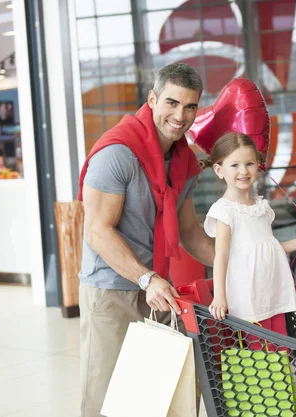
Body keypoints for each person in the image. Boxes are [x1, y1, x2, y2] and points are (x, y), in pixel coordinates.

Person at [77, 63, 215, 417]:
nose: (180, 115)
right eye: (171, 102)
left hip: (156, 291)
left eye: (190, 107)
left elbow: (190, 232)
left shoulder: (183, 161)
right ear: (152, 99)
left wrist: (237, 265)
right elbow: (98, 231)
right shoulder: (117, 153)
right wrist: (146, 277)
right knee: (106, 400)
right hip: (111, 291)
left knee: (150, 398)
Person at [200, 132, 296, 337]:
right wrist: (220, 296)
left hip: (272, 290)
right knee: (261, 352)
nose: (243, 171)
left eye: (249, 164)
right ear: (219, 170)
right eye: (234, 165)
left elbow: (267, 246)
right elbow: (221, 256)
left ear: (258, 165)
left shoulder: (261, 206)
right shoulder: (225, 211)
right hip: (249, 296)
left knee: (281, 347)